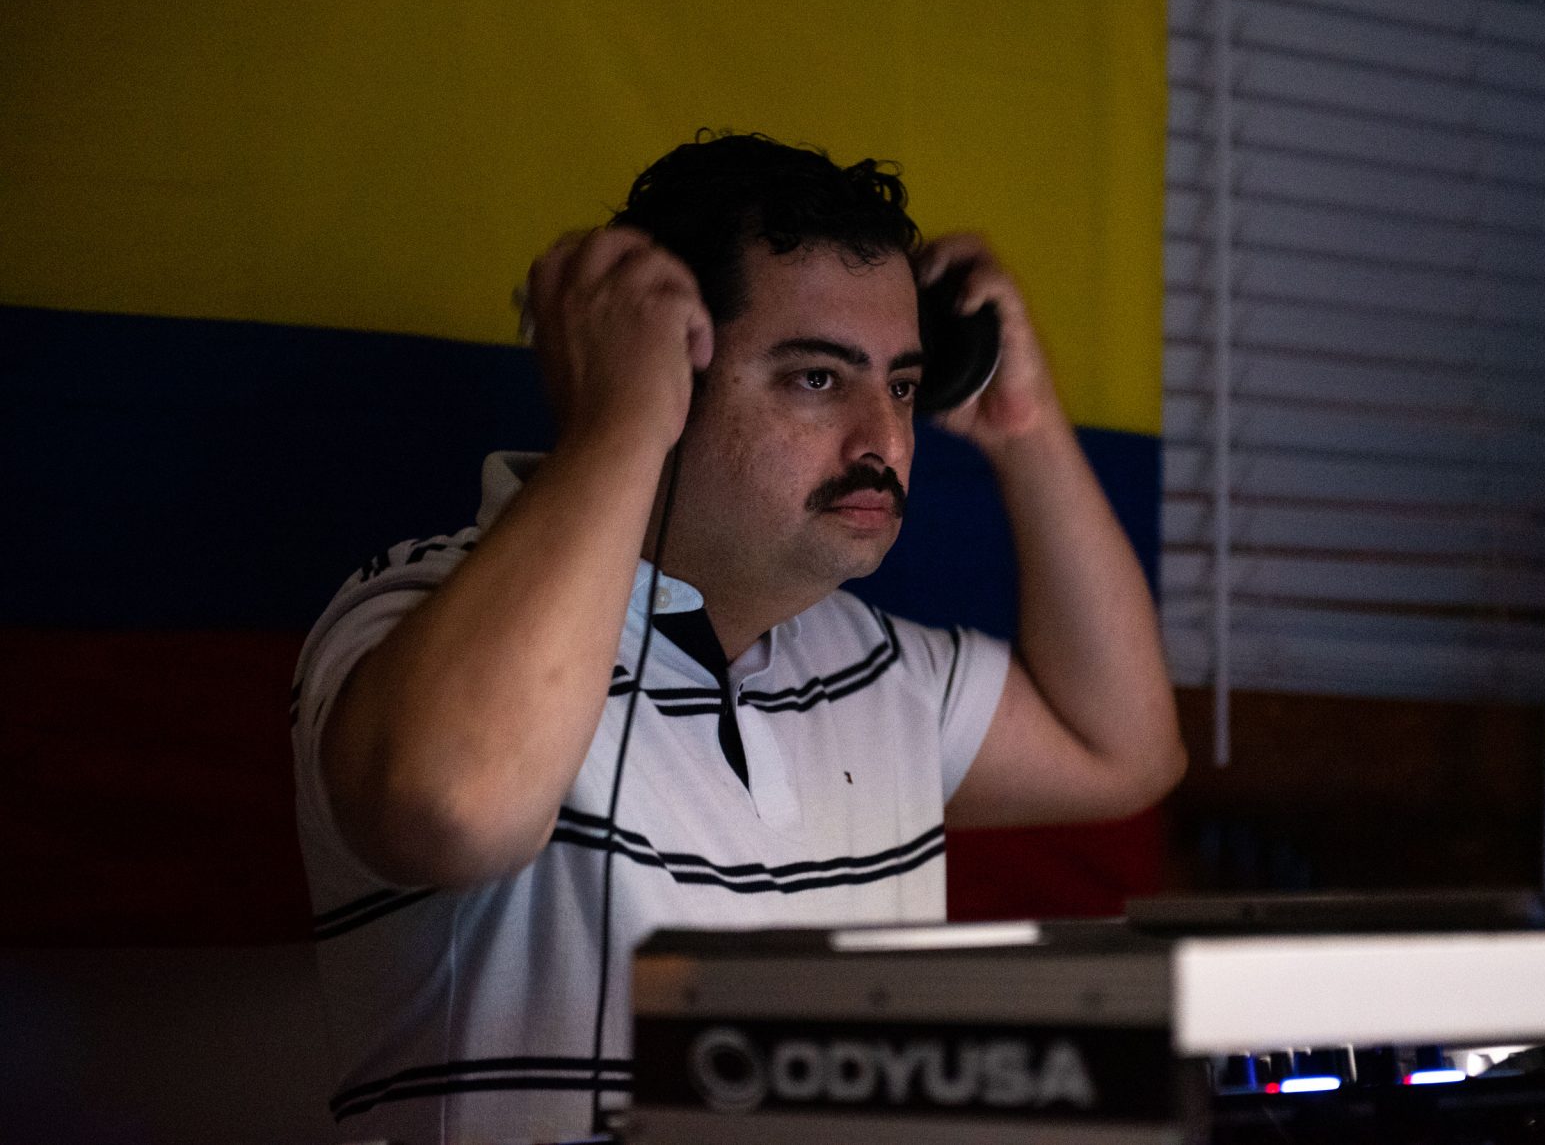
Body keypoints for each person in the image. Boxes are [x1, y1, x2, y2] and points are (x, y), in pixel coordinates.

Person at [290, 132, 1185, 1143]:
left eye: (899, 384)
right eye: (816, 378)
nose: (884, 441)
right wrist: (618, 420)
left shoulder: (874, 663)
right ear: (664, 365)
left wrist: (1023, 428)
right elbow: (451, 806)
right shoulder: (421, 613)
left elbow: (1128, 749)